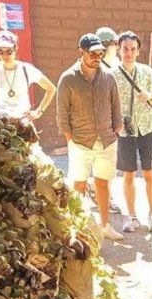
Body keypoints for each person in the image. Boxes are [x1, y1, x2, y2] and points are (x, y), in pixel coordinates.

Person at [58, 33, 124, 240]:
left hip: (106, 140)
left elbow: (116, 107)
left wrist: (116, 130)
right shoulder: (68, 78)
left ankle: (105, 225)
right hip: (80, 141)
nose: (97, 57)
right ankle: (80, 228)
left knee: (103, 183)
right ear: (81, 52)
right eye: (93, 53)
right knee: (78, 185)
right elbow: (62, 113)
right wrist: (70, 140)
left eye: (100, 53)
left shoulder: (108, 76)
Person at [114, 30, 152, 233]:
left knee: (150, 174)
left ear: (138, 51)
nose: (129, 53)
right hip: (125, 130)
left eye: (133, 49)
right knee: (127, 174)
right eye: (125, 49)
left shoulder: (147, 72)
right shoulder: (111, 75)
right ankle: (131, 215)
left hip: (146, 127)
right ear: (118, 49)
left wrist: (150, 96)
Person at [0, 30, 55, 124]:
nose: (4, 55)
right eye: (0, 51)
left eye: (9, 51)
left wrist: (39, 112)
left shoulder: (27, 69)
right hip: (1, 123)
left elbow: (51, 89)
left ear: (15, 49)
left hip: (23, 122)